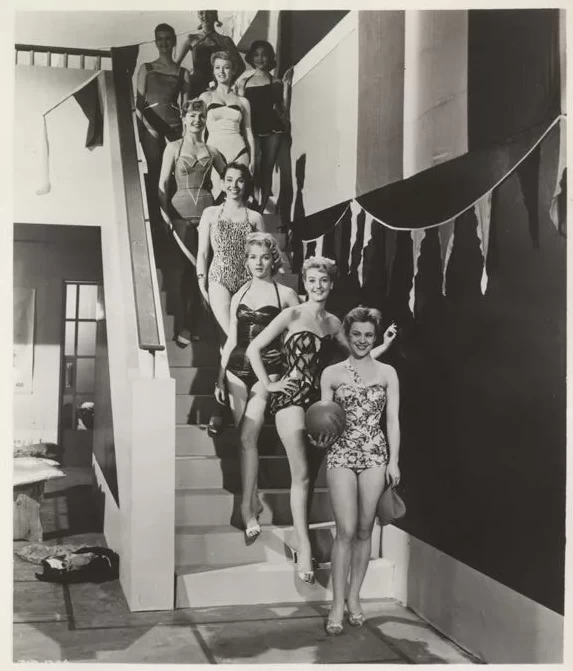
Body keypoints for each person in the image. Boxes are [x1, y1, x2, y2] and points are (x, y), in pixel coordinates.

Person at [246, 257, 397, 584]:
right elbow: (253, 349)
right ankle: (304, 548)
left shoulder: (334, 323)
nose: (317, 286)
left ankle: (304, 539)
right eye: (312, 280)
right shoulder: (291, 314)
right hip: (290, 398)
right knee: (300, 474)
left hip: (321, 402)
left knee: (312, 476)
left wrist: (382, 345)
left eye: (323, 281)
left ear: (331, 284)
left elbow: (355, 360)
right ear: (305, 283)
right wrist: (269, 385)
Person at [313, 306, 400, 636]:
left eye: (368, 335)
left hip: (375, 456)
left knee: (365, 530)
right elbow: (323, 418)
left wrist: (393, 461)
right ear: (347, 337)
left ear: (374, 337)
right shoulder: (332, 374)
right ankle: (336, 604)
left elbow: (392, 421)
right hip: (341, 454)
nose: (362, 340)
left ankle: (354, 597)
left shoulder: (388, 373)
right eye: (356, 335)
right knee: (346, 530)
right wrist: (319, 439)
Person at [218, 233, 299, 542]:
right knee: (244, 442)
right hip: (236, 370)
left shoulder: (286, 294)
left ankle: (245, 509)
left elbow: (297, 340)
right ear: (246, 260)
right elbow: (232, 338)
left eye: (264, 257)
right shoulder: (240, 292)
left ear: (272, 259)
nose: (258, 263)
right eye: (252, 257)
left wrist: (290, 374)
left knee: (247, 436)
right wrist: (219, 374)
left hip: (269, 371)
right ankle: (252, 502)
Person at [196, 163, 264, 435]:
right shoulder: (211, 213)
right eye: (229, 179)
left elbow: (264, 256)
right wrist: (201, 281)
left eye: (240, 180)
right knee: (232, 338)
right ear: (222, 183)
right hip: (219, 280)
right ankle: (223, 408)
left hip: (247, 282)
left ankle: (224, 406)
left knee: (235, 343)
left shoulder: (255, 217)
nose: (234, 185)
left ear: (246, 184)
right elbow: (203, 253)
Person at [158, 98, 226, 347]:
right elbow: (163, 183)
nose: (197, 120)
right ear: (184, 119)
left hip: (207, 216)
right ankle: (185, 325)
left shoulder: (213, 151)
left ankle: (192, 325)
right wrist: (164, 214)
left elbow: (231, 178)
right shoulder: (173, 148)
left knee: (203, 272)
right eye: (192, 116)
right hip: (180, 216)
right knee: (186, 272)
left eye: (201, 116)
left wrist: (220, 204)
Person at [236, 41, 293, 214]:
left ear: (270, 58)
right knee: (254, 166)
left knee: (267, 169)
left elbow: (283, 110)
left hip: (272, 128)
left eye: (264, 54)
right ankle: (252, 204)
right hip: (252, 128)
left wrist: (286, 87)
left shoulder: (276, 81)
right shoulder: (243, 82)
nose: (260, 59)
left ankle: (260, 209)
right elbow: (240, 108)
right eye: (256, 55)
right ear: (251, 58)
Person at [136, 24, 191, 183]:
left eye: (167, 39)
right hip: (150, 125)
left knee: (177, 171)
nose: (163, 43)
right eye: (159, 39)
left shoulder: (183, 73)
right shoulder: (146, 68)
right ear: (155, 42)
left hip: (174, 126)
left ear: (174, 41)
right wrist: (140, 129)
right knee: (154, 169)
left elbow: (186, 107)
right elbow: (139, 103)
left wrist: (186, 132)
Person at [200, 51, 255, 185]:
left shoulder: (243, 101)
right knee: (217, 192)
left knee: (239, 192)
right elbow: (200, 131)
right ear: (213, 70)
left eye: (226, 67)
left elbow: (248, 132)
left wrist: (253, 160)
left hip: (239, 152)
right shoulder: (206, 97)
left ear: (233, 70)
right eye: (217, 67)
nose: (221, 71)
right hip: (214, 152)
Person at [176, 10, 245, 98]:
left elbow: (241, 66)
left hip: (218, 89)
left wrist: (227, 82)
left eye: (208, 12)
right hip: (195, 88)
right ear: (198, 15)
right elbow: (175, 65)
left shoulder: (225, 40)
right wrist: (186, 79)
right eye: (201, 13)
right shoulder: (192, 39)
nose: (205, 16)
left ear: (215, 15)